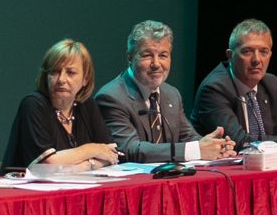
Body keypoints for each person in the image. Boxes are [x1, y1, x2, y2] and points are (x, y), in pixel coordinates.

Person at [96, 20, 234, 162]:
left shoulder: (172, 94)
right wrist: (197, 150)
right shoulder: (111, 97)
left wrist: (215, 146)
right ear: (130, 57)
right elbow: (129, 149)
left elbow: (188, 137)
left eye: (163, 55)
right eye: (147, 55)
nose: (156, 64)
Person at [192, 19, 277, 152]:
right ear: (230, 55)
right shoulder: (214, 89)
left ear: (270, 55)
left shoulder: (271, 83)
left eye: (263, 52)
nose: (257, 60)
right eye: (247, 51)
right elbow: (239, 142)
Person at [3, 39, 119, 170]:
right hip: (27, 189)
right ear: (46, 76)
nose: (61, 79)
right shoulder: (33, 104)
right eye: (55, 71)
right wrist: (91, 149)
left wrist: (82, 166)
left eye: (71, 72)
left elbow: (112, 154)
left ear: (85, 79)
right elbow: (49, 164)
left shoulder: (86, 105)